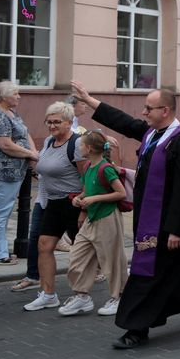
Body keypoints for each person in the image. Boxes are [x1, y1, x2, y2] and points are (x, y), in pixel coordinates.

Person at [69, 80, 180, 349]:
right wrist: (90, 101)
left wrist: (177, 229)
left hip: (168, 228)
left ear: (165, 110)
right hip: (149, 221)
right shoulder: (152, 135)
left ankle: (136, 328)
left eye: (149, 108)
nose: (144, 113)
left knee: (146, 276)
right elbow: (124, 122)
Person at [22, 103, 87, 312]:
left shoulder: (76, 144)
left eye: (57, 122)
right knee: (44, 246)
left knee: (87, 251)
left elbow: (86, 177)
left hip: (74, 203)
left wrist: (84, 209)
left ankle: (98, 294)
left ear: (69, 122)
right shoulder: (50, 141)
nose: (51, 126)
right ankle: (48, 295)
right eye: (49, 122)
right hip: (53, 202)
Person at [64, 131, 128, 315]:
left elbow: (121, 193)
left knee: (112, 260)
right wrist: (79, 200)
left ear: (89, 148)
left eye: (81, 144)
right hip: (92, 218)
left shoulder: (105, 168)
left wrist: (94, 199)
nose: (79, 147)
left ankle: (119, 297)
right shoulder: (87, 166)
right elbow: (86, 191)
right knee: (77, 257)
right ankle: (82, 297)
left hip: (107, 218)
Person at [0, 81, 38, 265]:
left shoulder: (10, 112)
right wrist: (30, 154)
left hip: (12, 171)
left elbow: (24, 133)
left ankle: (1, 250)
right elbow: (5, 144)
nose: (19, 97)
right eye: (16, 94)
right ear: (4, 97)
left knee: (3, 212)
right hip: (0, 171)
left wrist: (32, 152)